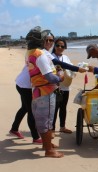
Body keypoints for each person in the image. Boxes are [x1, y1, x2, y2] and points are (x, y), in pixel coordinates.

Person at [9, 31, 86, 143]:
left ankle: (14, 129)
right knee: (31, 111)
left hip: (22, 83)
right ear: (42, 41)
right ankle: (36, 137)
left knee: (25, 108)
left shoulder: (36, 51)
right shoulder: (42, 53)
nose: (49, 42)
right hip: (26, 85)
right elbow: (58, 65)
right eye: (47, 40)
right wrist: (77, 69)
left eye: (51, 40)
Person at [26, 26, 64, 158]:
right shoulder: (39, 55)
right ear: (40, 40)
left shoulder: (29, 53)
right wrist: (60, 77)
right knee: (47, 121)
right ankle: (49, 150)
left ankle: (45, 144)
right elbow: (50, 77)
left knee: (41, 119)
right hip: (45, 91)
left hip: (36, 90)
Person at [51, 38, 75, 134]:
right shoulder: (51, 57)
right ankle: (52, 129)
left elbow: (71, 68)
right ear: (55, 46)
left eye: (62, 46)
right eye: (58, 45)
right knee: (54, 108)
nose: (60, 47)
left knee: (63, 107)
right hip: (54, 86)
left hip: (65, 86)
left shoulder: (66, 58)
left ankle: (62, 127)